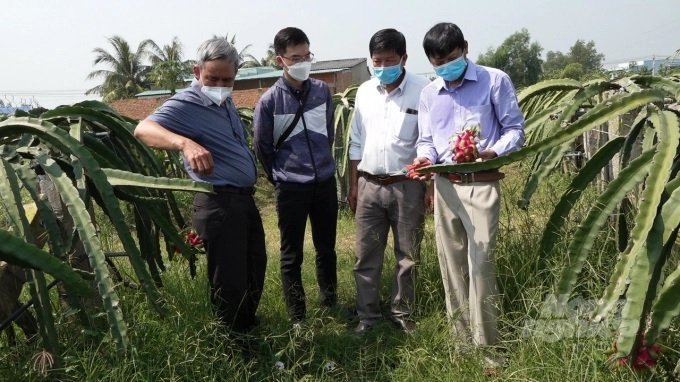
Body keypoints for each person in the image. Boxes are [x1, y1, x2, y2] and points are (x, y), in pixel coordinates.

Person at [134, 37, 267, 333]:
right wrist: (185, 143)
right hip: (218, 202)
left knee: (255, 267)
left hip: (242, 201)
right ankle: (234, 342)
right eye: (212, 78)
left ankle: (248, 328)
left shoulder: (225, 101)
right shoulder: (187, 102)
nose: (220, 85)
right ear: (197, 72)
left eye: (227, 79)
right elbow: (143, 129)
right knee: (230, 279)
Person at [413, 22, 525, 354]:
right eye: (437, 63)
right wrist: (423, 160)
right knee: (452, 266)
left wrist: (492, 151)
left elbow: (515, 130)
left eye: (450, 58)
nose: (445, 67)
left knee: (481, 265)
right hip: (445, 184)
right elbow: (426, 141)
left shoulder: (495, 80)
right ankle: (461, 344)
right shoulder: (430, 94)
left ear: (465, 47)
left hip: (482, 182)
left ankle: (488, 345)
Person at [348, 29, 431, 335]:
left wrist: (430, 187)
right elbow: (356, 141)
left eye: (389, 61)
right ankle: (367, 317)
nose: (382, 67)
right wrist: (354, 184)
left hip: (407, 184)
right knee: (366, 255)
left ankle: (402, 312)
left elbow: (429, 141)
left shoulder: (424, 90)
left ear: (404, 59)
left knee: (408, 256)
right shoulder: (365, 92)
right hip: (369, 184)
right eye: (377, 61)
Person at [253, 27, 337, 323]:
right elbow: (262, 147)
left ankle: (330, 303)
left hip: (325, 182)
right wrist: (281, 176)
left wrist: (322, 164)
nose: (303, 61)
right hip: (291, 187)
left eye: (307, 55)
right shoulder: (269, 102)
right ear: (281, 60)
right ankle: (298, 316)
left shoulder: (322, 91)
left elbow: (328, 134)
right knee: (292, 255)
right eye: (295, 57)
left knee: (326, 247)